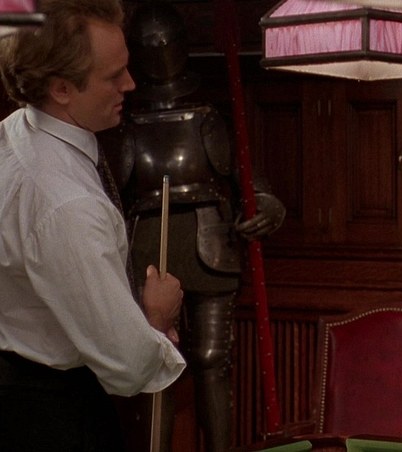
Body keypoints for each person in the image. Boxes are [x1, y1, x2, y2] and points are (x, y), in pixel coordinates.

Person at [97, 3, 285, 451]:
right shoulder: (125, 127)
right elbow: (110, 199)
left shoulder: (206, 118)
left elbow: (250, 180)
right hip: (147, 247)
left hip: (211, 245)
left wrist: (267, 207)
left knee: (212, 358)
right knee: (155, 358)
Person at [0, 0, 186, 451]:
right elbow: (129, 364)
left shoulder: (16, 131)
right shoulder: (66, 204)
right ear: (62, 88)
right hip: (50, 418)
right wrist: (157, 317)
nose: (130, 84)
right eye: (113, 76)